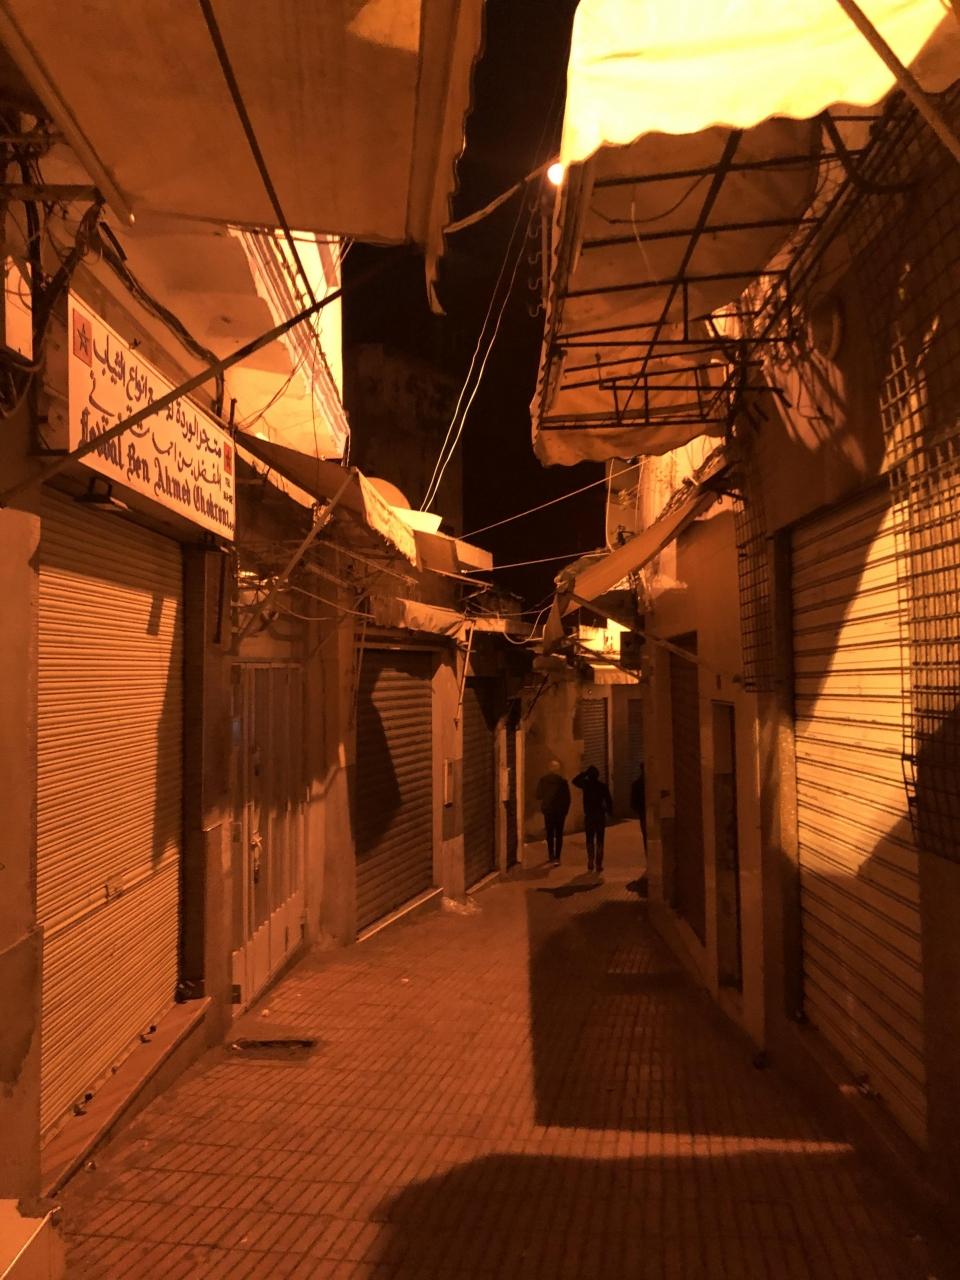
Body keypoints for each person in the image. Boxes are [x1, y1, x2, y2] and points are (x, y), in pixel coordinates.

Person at [572, 764, 614, 873]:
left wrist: (584, 773)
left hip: (589, 816)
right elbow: (608, 800)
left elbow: (574, 781)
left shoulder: (586, 785)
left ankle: (590, 860)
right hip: (600, 816)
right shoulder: (602, 786)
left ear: (589, 775)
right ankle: (598, 864)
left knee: (589, 839)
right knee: (600, 840)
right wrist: (610, 813)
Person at [535, 759, 570, 864]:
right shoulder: (563, 782)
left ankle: (551, 856)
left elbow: (538, 795)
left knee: (549, 834)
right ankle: (557, 858)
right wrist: (565, 811)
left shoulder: (543, 780)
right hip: (560, 812)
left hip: (548, 811)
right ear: (558, 769)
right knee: (559, 835)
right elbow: (567, 799)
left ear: (549, 768)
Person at [630, 766, 647, 849]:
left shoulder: (636, 784)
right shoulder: (637, 784)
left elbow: (633, 800)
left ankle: (648, 851)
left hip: (643, 811)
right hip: (644, 811)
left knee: (646, 834)